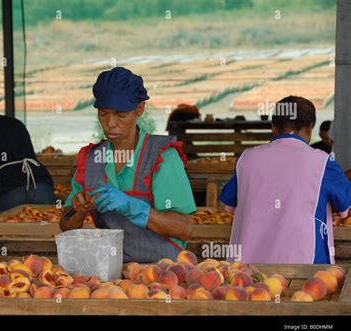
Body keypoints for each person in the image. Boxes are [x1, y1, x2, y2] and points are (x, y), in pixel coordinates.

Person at [60, 67, 196, 263]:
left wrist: (134, 207)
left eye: (120, 114)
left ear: (139, 109)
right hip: (110, 273)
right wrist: (78, 210)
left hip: (162, 273)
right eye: (103, 114)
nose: (110, 124)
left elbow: (184, 229)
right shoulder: (91, 159)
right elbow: (66, 226)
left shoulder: (162, 156)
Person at [219, 96, 350, 264]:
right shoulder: (323, 163)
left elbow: (229, 206)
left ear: (274, 128)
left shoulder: (247, 159)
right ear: (309, 129)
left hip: (246, 271)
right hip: (305, 268)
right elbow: (345, 206)